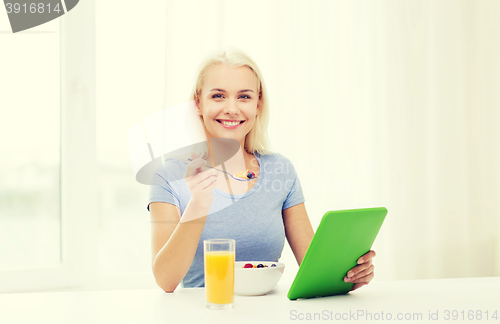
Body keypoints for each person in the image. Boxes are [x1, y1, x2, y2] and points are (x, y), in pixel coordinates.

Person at [147, 47, 376, 292]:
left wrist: (351, 275)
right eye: (218, 96)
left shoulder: (280, 170)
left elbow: (315, 270)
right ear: (198, 103)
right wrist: (199, 205)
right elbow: (165, 281)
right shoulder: (169, 175)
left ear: (258, 104)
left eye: (244, 97)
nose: (232, 108)